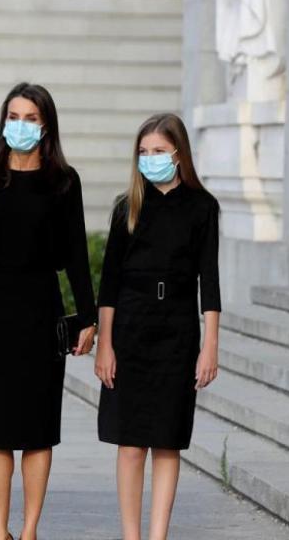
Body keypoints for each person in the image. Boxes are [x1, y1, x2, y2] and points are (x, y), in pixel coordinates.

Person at [0, 83, 96, 540]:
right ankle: (0, 530)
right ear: (4, 121)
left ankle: (29, 530)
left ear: (46, 127)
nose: (20, 125)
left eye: (31, 118)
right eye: (14, 116)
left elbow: (78, 255)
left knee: (39, 428)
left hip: (42, 314)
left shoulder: (64, 181)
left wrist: (88, 317)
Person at [94, 113, 221, 540]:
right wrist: (104, 345)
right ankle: (131, 535)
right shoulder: (126, 207)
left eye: (159, 152)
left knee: (167, 441)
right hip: (130, 329)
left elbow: (210, 280)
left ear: (179, 155)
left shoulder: (203, 208)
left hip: (178, 333)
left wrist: (210, 345)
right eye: (143, 152)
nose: (150, 159)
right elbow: (109, 282)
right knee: (130, 445)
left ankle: (157, 536)